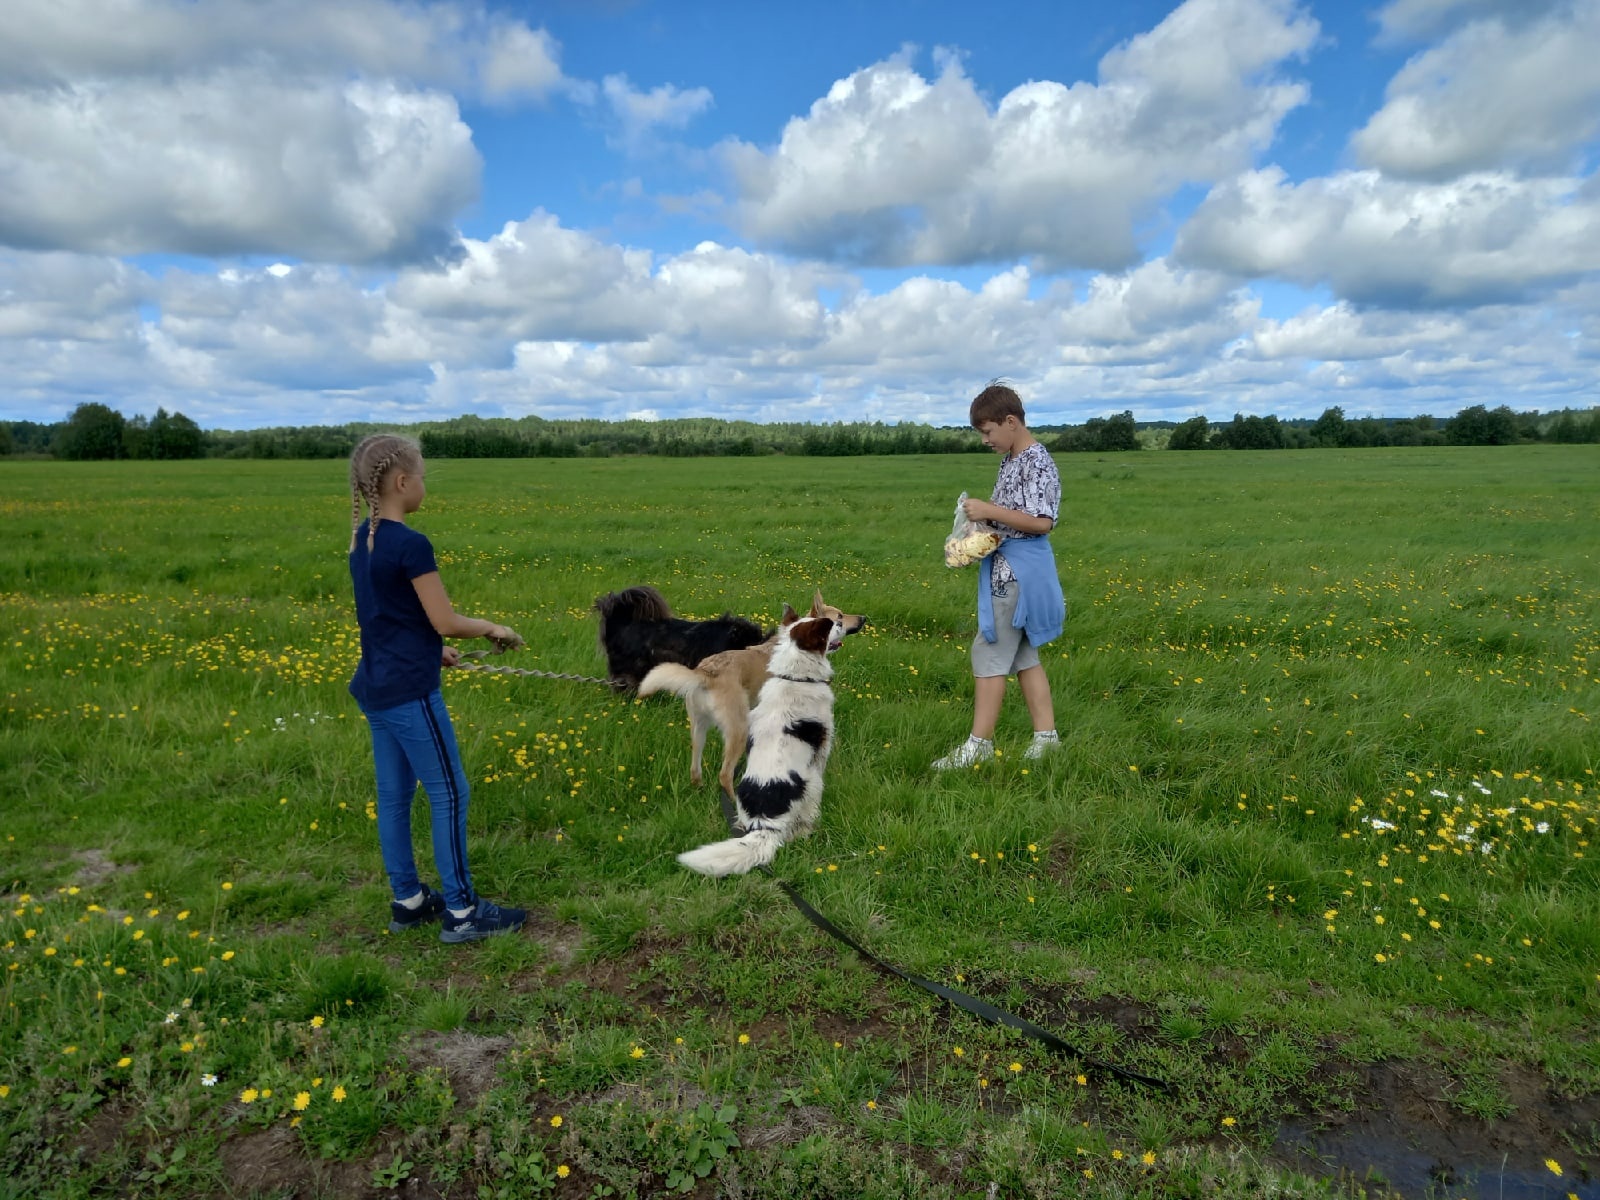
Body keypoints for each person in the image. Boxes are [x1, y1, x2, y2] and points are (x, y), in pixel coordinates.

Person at [347, 434, 527, 942]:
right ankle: (463, 912)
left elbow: (387, 619)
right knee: (450, 793)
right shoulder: (410, 543)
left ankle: (407, 900)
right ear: (402, 483)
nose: (424, 484)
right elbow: (445, 619)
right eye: (422, 476)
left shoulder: (362, 538)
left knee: (394, 797)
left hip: (378, 686)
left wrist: (431, 650)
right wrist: (494, 628)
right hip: (409, 693)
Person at [933, 384, 1065, 769]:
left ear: (1011, 421)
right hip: (1011, 568)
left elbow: (1042, 522)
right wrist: (981, 524)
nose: (985, 440)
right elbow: (1012, 514)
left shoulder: (1036, 461)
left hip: (1017, 574)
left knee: (989, 652)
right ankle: (1047, 739)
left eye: (988, 431)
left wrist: (989, 509)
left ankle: (979, 745)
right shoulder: (1014, 459)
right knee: (1024, 656)